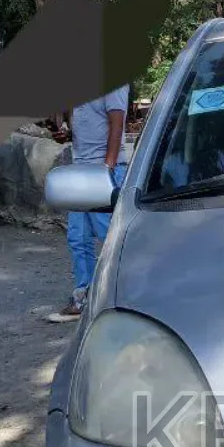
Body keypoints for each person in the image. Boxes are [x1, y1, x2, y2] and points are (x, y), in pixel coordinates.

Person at [48, 86, 129, 323]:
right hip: (81, 169)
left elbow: (117, 123)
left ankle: (123, 296)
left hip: (103, 171)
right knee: (78, 237)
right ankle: (84, 297)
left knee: (109, 237)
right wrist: (66, 135)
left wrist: (107, 169)